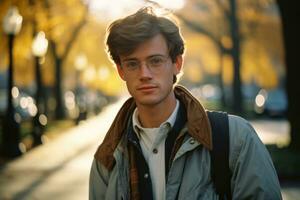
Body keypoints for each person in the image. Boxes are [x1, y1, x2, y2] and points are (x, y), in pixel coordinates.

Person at [89, 6, 282, 200]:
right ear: (121, 71)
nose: (144, 74)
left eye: (155, 61)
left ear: (177, 63)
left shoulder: (235, 139)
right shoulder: (106, 159)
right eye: (132, 64)